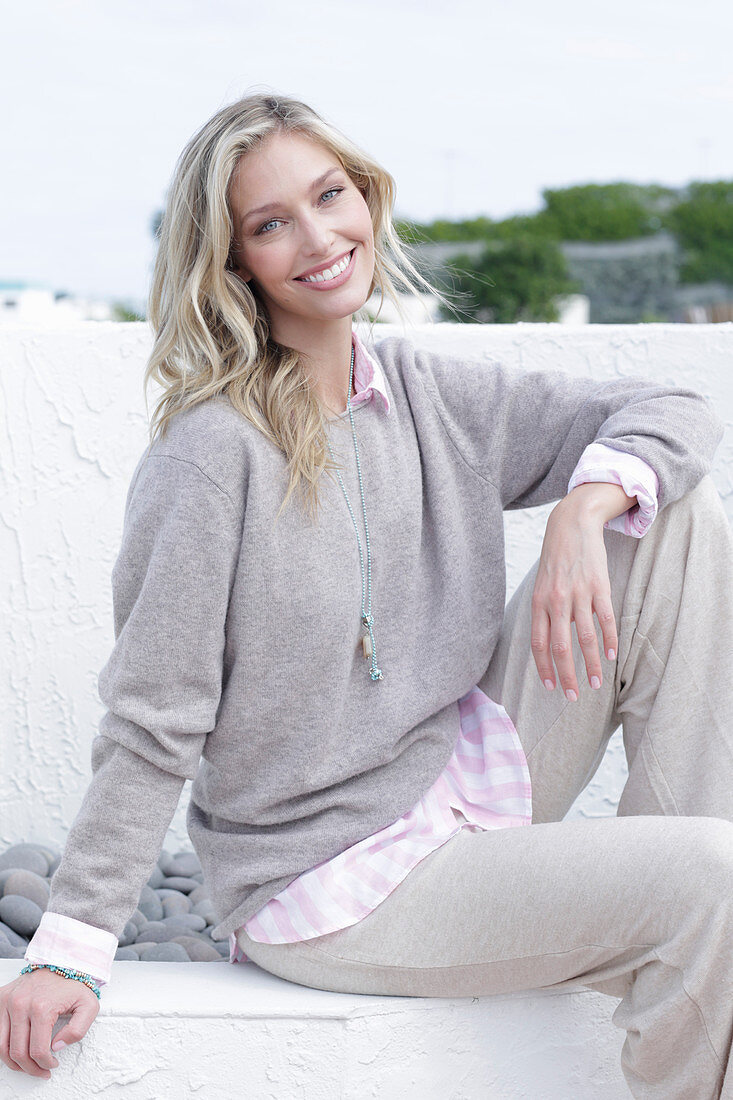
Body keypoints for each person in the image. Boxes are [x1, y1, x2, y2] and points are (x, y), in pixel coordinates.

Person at [1, 91, 731, 1098]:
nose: (316, 237)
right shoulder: (212, 458)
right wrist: (69, 944)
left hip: (462, 781)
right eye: (270, 224)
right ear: (233, 264)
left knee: (669, 517)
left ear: (367, 199)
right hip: (336, 885)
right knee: (714, 878)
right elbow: (152, 717)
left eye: (329, 195)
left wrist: (579, 508)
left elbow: (677, 408)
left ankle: (684, 904)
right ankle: (691, 912)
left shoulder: (428, 396)